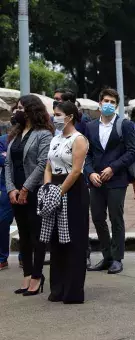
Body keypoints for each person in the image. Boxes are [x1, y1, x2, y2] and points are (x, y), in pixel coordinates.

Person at [85, 88, 135, 274]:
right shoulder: (90, 126)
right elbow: (86, 153)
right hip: (96, 181)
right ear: (99, 103)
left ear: (117, 105)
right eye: (106, 100)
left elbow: (132, 152)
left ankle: (117, 258)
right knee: (98, 217)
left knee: (116, 217)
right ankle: (106, 256)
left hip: (117, 179)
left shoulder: (124, 125)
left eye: (113, 102)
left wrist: (113, 168)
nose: (109, 104)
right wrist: (90, 172)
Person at [5, 95, 53, 295]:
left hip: (33, 191)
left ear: (32, 109)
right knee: (23, 235)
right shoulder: (15, 134)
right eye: (17, 107)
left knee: (36, 235)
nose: (18, 111)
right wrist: (11, 189)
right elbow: (8, 164)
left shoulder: (43, 134)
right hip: (15, 192)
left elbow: (43, 164)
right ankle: (26, 276)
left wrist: (25, 188)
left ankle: (37, 276)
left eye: (21, 107)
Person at [44, 101, 89, 304]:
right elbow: (48, 166)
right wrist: (47, 188)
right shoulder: (55, 139)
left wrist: (60, 192)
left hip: (73, 191)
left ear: (70, 116)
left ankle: (72, 290)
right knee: (56, 240)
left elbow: (76, 170)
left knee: (73, 238)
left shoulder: (79, 139)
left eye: (58, 114)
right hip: (54, 186)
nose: (55, 118)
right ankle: (57, 288)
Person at [0, 132, 14, 270]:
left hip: (28, 185)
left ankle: (25, 257)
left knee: (27, 224)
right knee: (2, 221)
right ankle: (2, 258)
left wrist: (7, 156)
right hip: (6, 187)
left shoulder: (33, 136)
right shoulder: (3, 139)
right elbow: (0, 160)